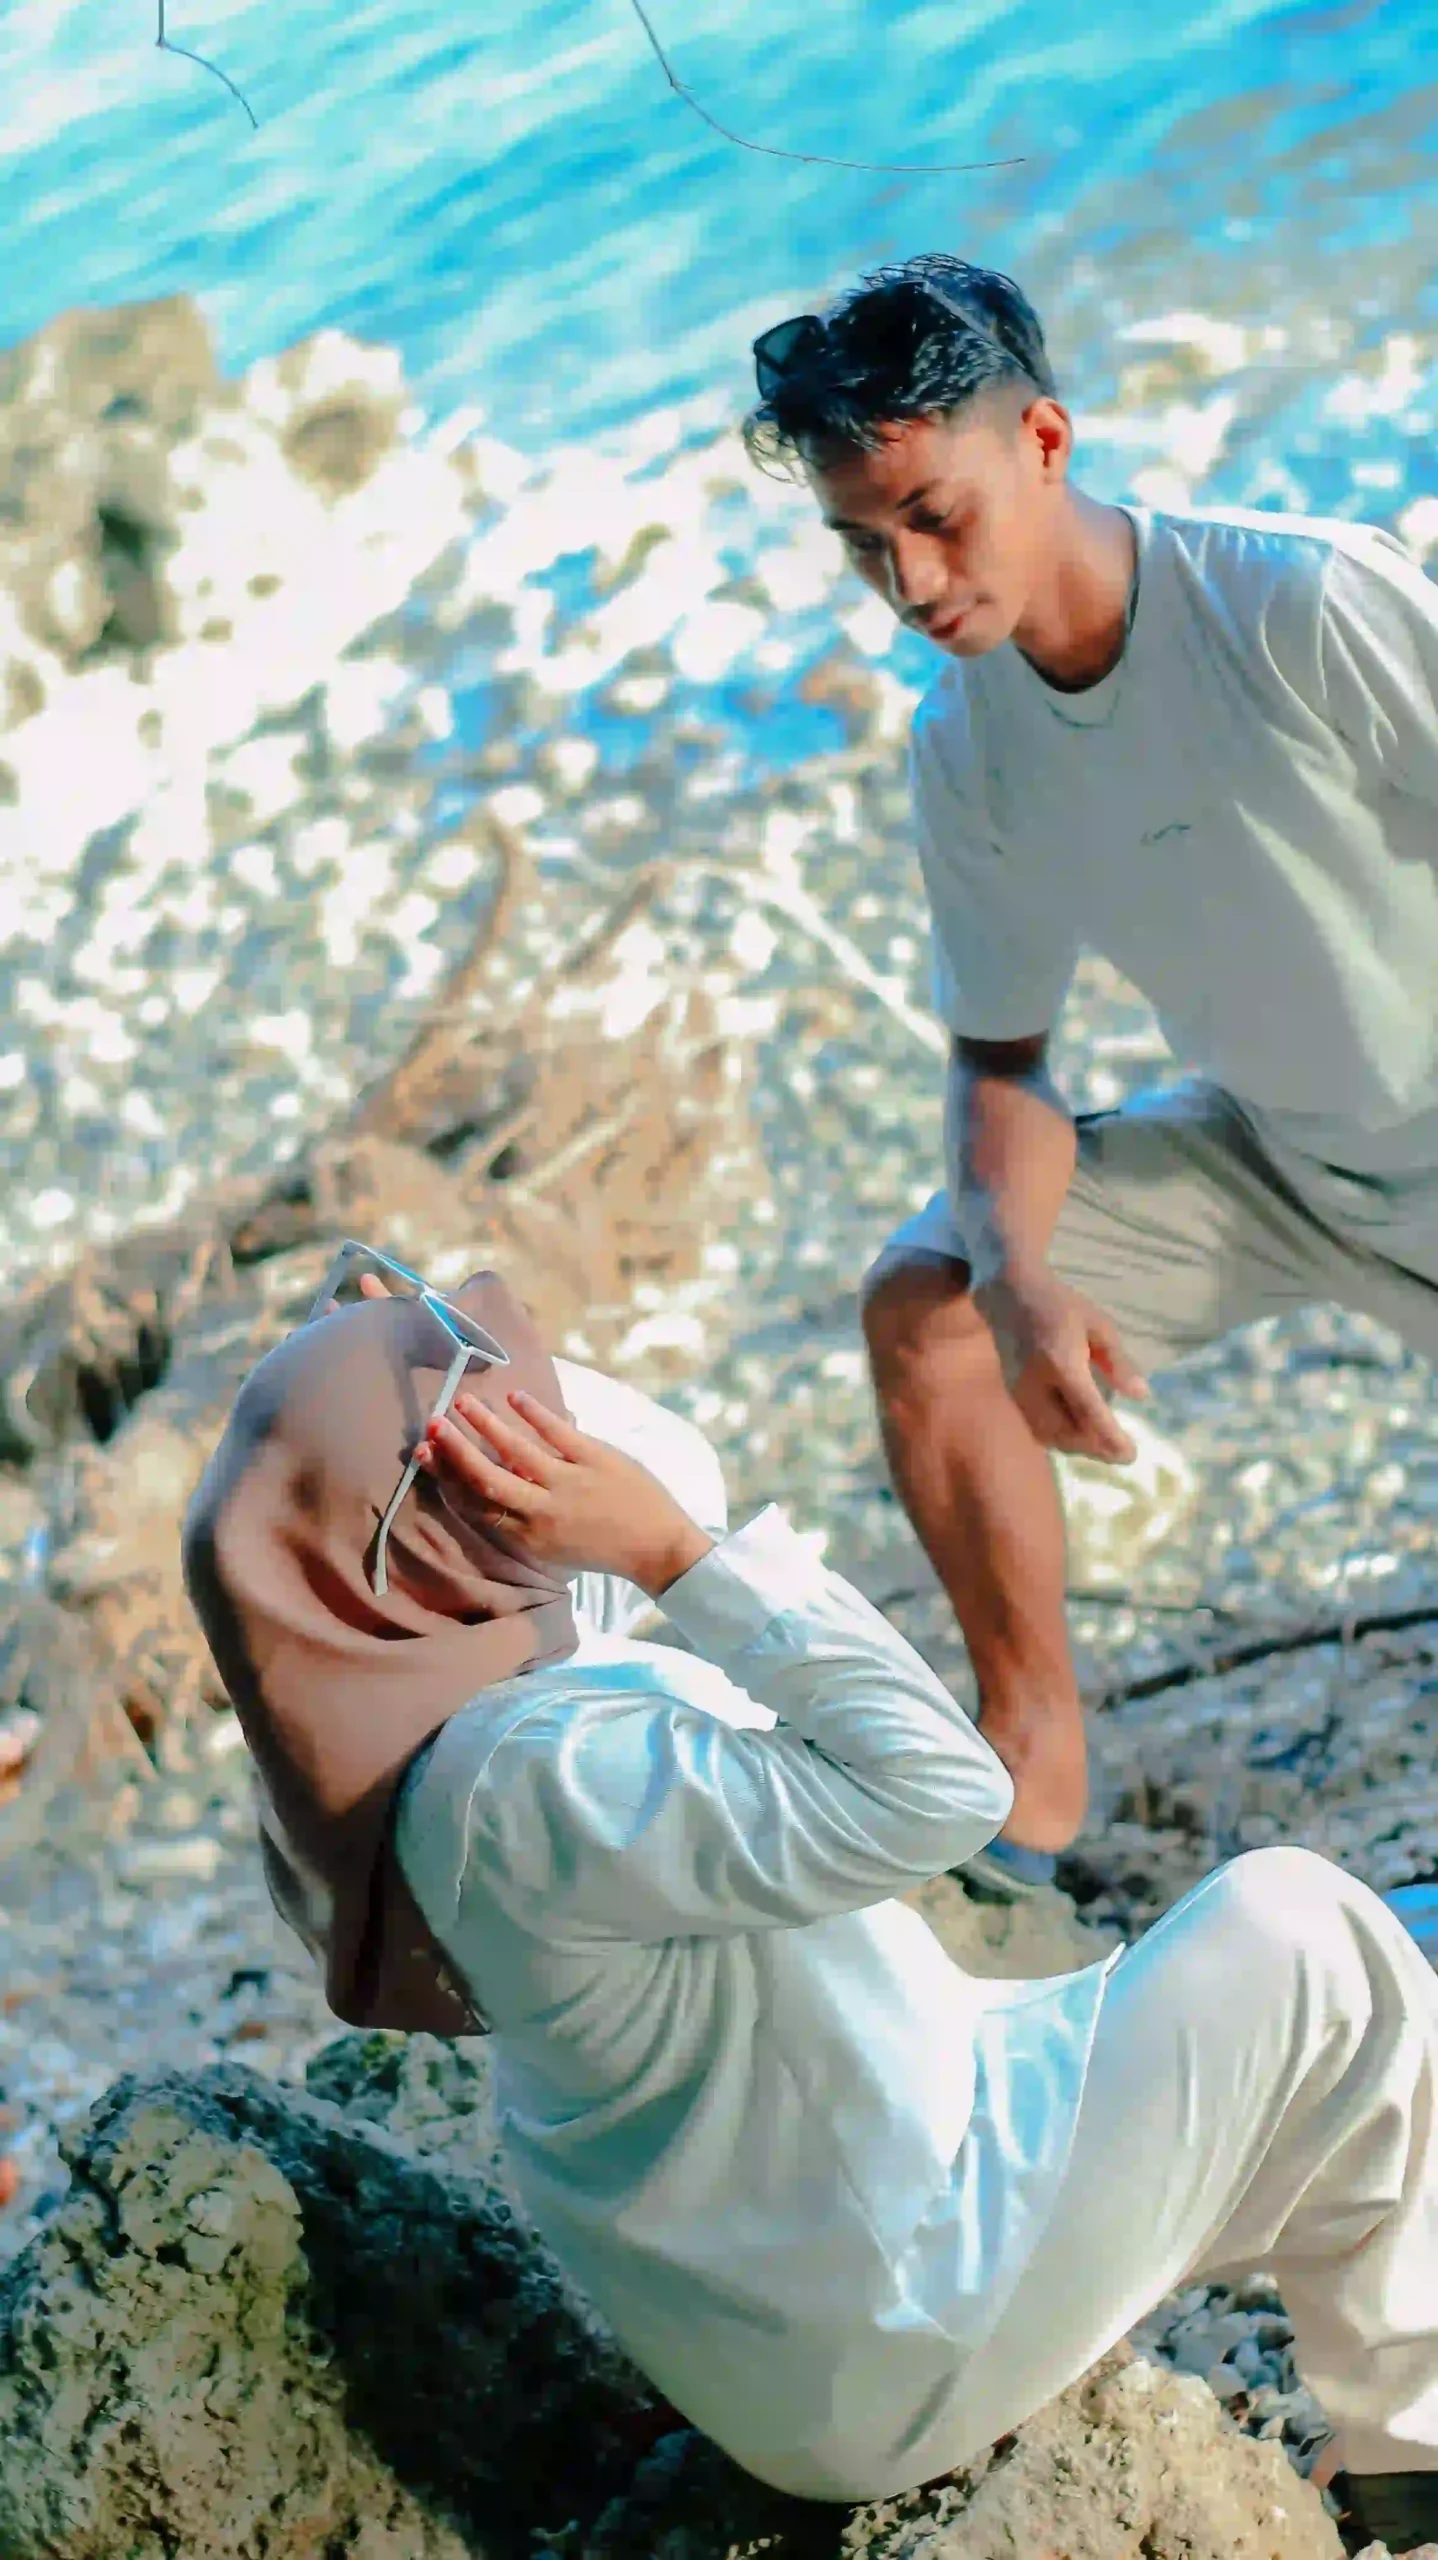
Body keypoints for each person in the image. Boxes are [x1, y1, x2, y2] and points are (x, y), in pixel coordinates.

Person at [183, 1265, 1438, 2552]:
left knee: (1367, 2003)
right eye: (493, 1444)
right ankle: (1418, 2461)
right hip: (900, 2318)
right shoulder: (536, 1781)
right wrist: (672, 1555)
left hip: (803, 2289)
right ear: (435, 1534)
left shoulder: (416, 1723)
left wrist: (392, 1373)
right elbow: (949, 1790)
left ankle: (1375, 2309)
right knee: (1308, 1933)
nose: (546, 1445)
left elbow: (673, 1464)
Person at [741, 254, 1438, 1900]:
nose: (907, 583)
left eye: (933, 517)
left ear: (1044, 442)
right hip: (1282, 1165)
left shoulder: (1296, 600)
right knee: (928, 1311)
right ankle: (1030, 1780)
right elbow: (1002, 1062)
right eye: (861, 544)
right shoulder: (963, 748)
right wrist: (1015, 1272)